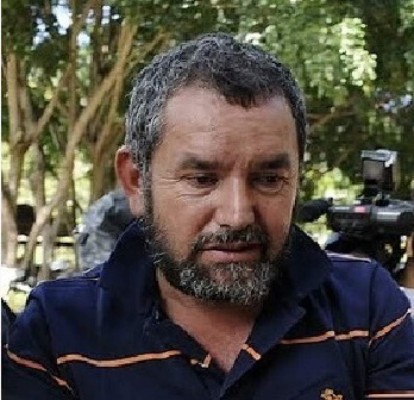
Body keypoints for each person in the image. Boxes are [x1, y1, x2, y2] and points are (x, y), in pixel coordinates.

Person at [4, 33, 414, 400]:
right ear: (136, 181)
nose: (237, 215)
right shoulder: (58, 331)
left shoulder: (366, 306)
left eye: (269, 179)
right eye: (202, 179)